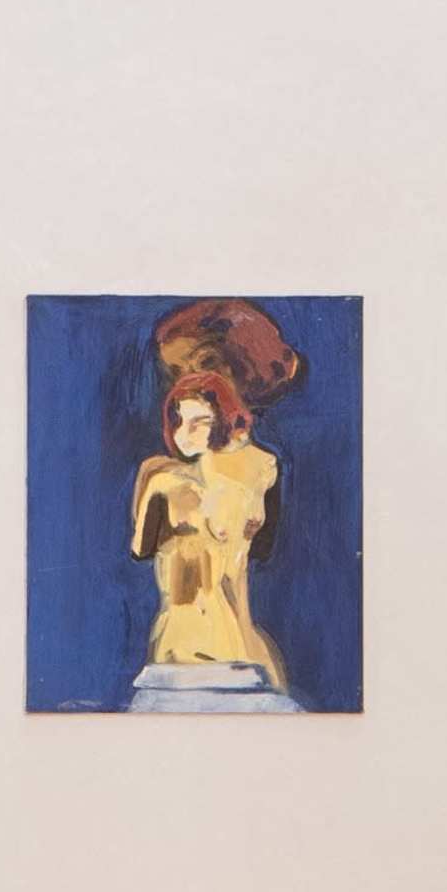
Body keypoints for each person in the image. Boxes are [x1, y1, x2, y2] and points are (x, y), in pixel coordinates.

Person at [126, 300, 303, 708]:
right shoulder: (171, 476)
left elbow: (143, 547)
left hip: (236, 660)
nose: (184, 381)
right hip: (193, 661)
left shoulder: (257, 471)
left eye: (197, 367)